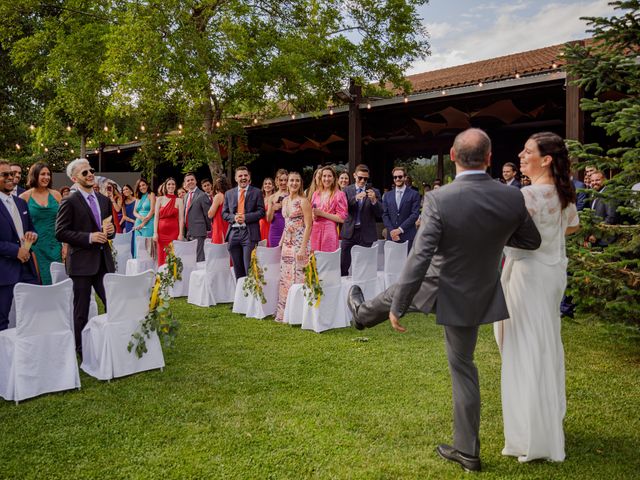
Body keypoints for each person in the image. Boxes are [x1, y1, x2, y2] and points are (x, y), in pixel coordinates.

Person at [348, 128, 541, 473]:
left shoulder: (440, 199)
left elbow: (419, 256)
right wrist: (490, 240)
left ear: (452, 157)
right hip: (474, 290)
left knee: (401, 291)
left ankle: (365, 314)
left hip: (437, 280)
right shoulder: (512, 197)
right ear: (490, 158)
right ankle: (467, 451)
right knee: (463, 368)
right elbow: (530, 240)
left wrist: (398, 307)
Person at [495, 132, 579, 463]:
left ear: (545, 159)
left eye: (528, 151)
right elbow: (570, 228)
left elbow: (509, 236)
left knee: (522, 350)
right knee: (543, 346)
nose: (520, 155)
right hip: (551, 274)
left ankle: (530, 434)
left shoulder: (527, 194)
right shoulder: (562, 193)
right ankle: (545, 422)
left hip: (526, 276)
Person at [55, 159, 115, 351]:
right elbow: (60, 232)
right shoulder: (69, 201)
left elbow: (107, 229)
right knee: (81, 310)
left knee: (112, 302)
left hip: (103, 261)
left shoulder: (104, 200)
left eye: (91, 170)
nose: (90, 174)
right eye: (84, 173)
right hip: (81, 263)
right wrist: (89, 237)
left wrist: (111, 231)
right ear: (74, 178)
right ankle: (81, 349)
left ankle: (113, 340)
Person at [0, 160, 38, 330]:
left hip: (26, 267)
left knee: (35, 311)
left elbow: (31, 228)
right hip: (4, 269)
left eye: (12, 174)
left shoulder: (21, 202)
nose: (11, 177)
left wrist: (32, 235)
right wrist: (16, 251)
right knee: (2, 318)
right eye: (5, 175)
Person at [275, 172, 312, 322]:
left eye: (297, 180)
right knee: (286, 277)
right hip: (287, 244)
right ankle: (285, 313)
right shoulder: (284, 201)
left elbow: (309, 226)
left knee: (299, 276)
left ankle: (299, 314)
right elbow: (286, 224)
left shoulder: (303, 201)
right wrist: (281, 241)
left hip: (299, 242)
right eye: (291, 180)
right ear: (287, 182)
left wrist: (303, 248)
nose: (294, 183)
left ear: (300, 183)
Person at [19, 162, 63, 285]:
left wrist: (65, 245)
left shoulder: (56, 195)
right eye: (42, 174)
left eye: (48, 174)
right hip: (35, 247)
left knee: (57, 281)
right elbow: (20, 226)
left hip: (55, 245)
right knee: (38, 282)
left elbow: (63, 222)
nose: (46, 177)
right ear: (35, 175)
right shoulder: (24, 197)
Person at [222, 166, 265, 279]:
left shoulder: (257, 192)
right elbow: (224, 213)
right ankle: (240, 294)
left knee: (249, 267)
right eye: (240, 176)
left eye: (245, 175)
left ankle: (251, 293)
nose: (243, 178)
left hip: (249, 233)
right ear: (236, 178)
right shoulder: (229, 194)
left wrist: (246, 217)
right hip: (233, 233)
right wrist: (234, 218)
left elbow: (261, 212)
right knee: (237, 267)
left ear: (249, 177)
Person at [340, 164, 382, 275]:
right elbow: (342, 210)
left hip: (366, 233)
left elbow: (379, 213)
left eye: (365, 179)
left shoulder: (374, 192)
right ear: (354, 176)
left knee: (363, 266)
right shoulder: (347, 191)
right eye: (360, 178)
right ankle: (343, 289)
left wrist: (374, 201)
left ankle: (362, 289)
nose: (363, 181)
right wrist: (355, 199)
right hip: (350, 232)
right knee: (343, 264)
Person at [381, 166, 422, 251]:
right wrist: (392, 231)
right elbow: (385, 215)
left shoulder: (414, 194)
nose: (397, 179)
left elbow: (415, 214)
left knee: (407, 264)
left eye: (400, 176)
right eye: (395, 177)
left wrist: (400, 230)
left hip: (408, 236)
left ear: (405, 177)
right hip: (392, 237)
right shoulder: (387, 195)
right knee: (392, 263)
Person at [310, 166, 347, 252]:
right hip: (315, 231)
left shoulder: (339, 194)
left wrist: (322, 214)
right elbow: (312, 212)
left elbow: (342, 218)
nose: (326, 179)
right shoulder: (316, 194)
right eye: (324, 176)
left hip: (329, 232)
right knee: (315, 261)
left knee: (328, 260)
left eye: (329, 176)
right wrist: (313, 215)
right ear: (321, 178)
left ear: (334, 178)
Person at [153, 177, 184, 266]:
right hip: (161, 233)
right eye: (169, 184)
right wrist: (155, 232)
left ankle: (172, 277)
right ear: (165, 186)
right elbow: (156, 217)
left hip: (173, 233)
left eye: (173, 184)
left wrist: (181, 234)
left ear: (175, 186)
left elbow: (181, 218)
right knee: (161, 256)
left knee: (172, 256)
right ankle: (162, 278)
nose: (171, 186)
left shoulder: (179, 200)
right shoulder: (159, 199)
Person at [183, 172, 212, 262]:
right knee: (191, 258)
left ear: (196, 181)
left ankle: (200, 274)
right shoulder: (186, 196)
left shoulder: (202, 195)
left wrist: (207, 229)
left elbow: (208, 215)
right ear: (185, 183)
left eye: (192, 180)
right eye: (188, 180)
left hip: (199, 231)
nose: (190, 182)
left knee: (199, 258)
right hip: (187, 231)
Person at [132, 177, 155, 258]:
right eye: (140, 186)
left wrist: (143, 223)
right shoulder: (138, 197)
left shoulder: (151, 194)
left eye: (143, 185)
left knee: (147, 247)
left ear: (147, 185)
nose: (142, 187)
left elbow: (152, 210)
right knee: (138, 246)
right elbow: (134, 212)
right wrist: (140, 218)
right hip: (138, 223)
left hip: (149, 223)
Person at [267, 169, 288, 247]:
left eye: (285, 180)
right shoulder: (272, 197)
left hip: (289, 230)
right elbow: (268, 219)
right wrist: (273, 209)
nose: (283, 183)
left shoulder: (292, 196)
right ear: (277, 181)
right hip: (275, 231)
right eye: (281, 180)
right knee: (274, 256)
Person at [208, 175, 231, 244]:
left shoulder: (219, 196)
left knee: (219, 251)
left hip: (219, 226)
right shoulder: (230, 195)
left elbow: (210, 214)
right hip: (228, 226)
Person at [259, 177, 274, 242]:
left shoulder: (274, 198)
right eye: (265, 184)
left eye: (269, 184)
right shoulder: (260, 198)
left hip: (270, 224)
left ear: (273, 186)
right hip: (261, 225)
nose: (267, 185)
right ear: (263, 186)